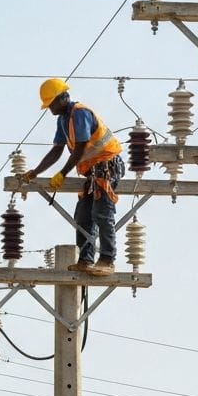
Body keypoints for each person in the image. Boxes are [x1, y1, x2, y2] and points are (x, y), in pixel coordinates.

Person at [24, 78, 125, 275]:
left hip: (108, 166)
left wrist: (62, 173)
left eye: (52, 104)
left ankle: (107, 259)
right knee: (83, 215)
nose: (50, 109)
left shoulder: (80, 114)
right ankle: (86, 260)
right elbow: (57, 150)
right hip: (93, 172)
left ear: (62, 98)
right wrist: (36, 172)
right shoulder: (63, 120)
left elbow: (79, 148)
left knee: (102, 213)